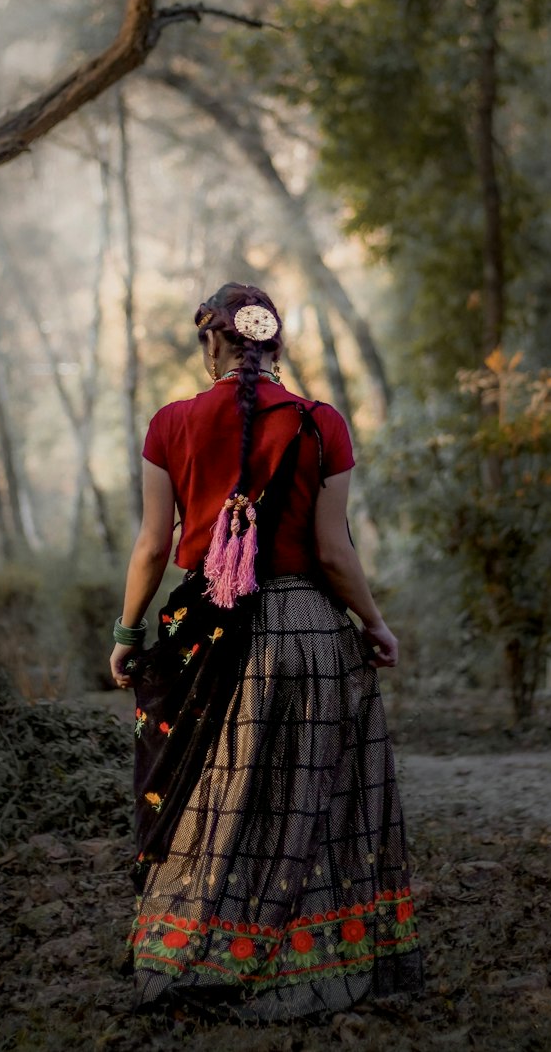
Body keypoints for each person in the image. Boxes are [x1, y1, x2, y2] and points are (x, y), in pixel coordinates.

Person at [109, 281, 422, 1021]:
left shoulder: (170, 424)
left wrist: (127, 635)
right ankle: (313, 954)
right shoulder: (322, 425)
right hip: (309, 633)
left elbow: (154, 547)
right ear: (275, 346)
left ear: (210, 342)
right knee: (312, 796)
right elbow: (334, 553)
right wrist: (374, 624)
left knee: (215, 793)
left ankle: (199, 946)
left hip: (210, 637)